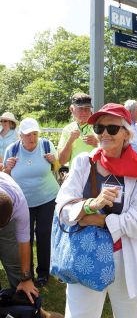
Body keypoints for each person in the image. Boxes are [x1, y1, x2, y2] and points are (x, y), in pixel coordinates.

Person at [55, 103, 137, 318]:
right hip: (86, 253)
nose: (104, 134)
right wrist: (90, 205)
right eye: (100, 128)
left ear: (126, 134)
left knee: (128, 314)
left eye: (112, 129)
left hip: (125, 256)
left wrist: (100, 221)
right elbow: (62, 206)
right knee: (80, 315)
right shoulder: (84, 162)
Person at [3, 118, 60, 288]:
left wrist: (53, 161)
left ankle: (43, 272)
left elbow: (57, 168)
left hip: (47, 198)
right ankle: (26, 274)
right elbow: (5, 177)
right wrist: (7, 168)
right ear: (20, 135)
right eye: (28, 135)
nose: (32, 138)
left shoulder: (47, 145)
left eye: (34, 134)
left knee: (44, 234)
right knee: (24, 237)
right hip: (22, 202)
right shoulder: (12, 150)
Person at [0, 172, 39, 303]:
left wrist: (26, 279)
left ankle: (22, 298)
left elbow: (24, 242)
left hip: (8, 223)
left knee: (12, 258)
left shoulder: (19, 204)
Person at [58, 93, 98, 168]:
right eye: (81, 108)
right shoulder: (67, 129)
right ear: (72, 109)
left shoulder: (100, 125)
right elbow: (62, 161)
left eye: (87, 108)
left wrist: (98, 143)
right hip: (75, 176)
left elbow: (115, 152)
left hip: (97, 176)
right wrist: (70, 141)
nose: (84, 112)